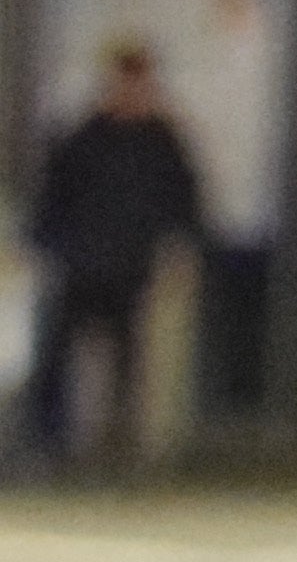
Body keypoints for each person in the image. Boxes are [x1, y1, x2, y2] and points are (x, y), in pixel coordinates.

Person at [27, 40, 203, 467]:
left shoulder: (163, 144)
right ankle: (48, 442)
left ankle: (127, 445)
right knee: (59, 355)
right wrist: (49, 249)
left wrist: (181, 253)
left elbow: (185, 206)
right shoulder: (85, 138)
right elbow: (54, 201)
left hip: (136, 270)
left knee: (136, 363)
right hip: (83, 267)